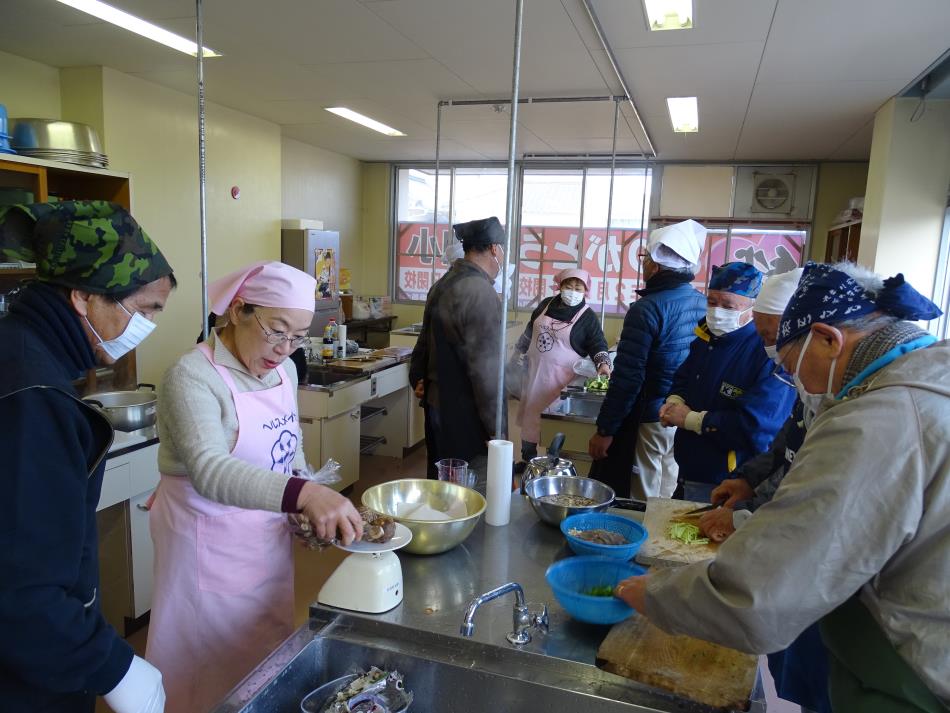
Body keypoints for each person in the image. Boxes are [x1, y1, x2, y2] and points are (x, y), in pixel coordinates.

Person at [615, 262, 948, 712]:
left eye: (792, 366)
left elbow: (762, 590)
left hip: (909, 673)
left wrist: (655, 596)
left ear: (829, 340)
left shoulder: (877, 420)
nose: (796, 384)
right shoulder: (925, 379)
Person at [147, 261, 362, 712]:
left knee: (262, 662)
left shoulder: (283, 371)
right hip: (207, 552)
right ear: (239, 310)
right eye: (277, 331)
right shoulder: (192, 378)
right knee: (206, 675)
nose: (285, 348)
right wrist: (305, 495)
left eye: (299, 336)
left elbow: (289, 450)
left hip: (264, 548)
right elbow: (210, 469)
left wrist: (302, 497)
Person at [0, 200, 174, 713]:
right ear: (83, 297)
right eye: (143, 310)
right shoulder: (33, 395)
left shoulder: (22, 350)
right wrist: (111, 667)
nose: (147, 327)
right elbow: (21, 588)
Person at [694, 268, 831, 713]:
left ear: (819, 336)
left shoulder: (846, 401)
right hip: (779, 541)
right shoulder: (807, 383)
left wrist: (744, 516)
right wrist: (749, 478)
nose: (770, 349)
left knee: (811, 679)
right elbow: (785, 444)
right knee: (781, 670)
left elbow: (807, 490)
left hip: (814, 570)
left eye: (772, 334)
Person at [588, 220, 707, 499]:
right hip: (684, 415)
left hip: (651, 417)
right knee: (668, 489)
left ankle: (642, 542)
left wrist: (605, 429)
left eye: (645, 259)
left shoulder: (646, 309)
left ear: (655, 266)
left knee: (643, 495)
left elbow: (628, 378)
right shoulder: (701, 302)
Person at [659, 261, 795, 503]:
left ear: (751, 308)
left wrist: (691, 420)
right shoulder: (706, 337)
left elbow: (755, 426)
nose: (717, 311)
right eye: (712, 302)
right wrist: (674, 400)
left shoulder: (767, 352)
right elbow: (684, 376)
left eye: (728, 306)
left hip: (728, 477)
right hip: (690, 466)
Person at [409, 216, 507, 477]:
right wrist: (497, 432)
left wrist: (418, 379)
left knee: (441, 479)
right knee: (467, 489)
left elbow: (422, 343)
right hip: (465, 411)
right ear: (495, 249)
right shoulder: (480, 291)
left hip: (436, 405)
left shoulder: (443, 283)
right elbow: (486, 371)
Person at [514, 268, 610, 470]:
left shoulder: (588, 317)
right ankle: (527, 460)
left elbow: (598, 344)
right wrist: (517, 352)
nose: (572, 291)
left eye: (578, 288)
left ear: (585, 291)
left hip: (560, 381)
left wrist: (603, 363)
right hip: (534, 375)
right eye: (568, 286)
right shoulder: (545, 304)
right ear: (560, 286)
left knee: (554, 423)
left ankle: (552, 463)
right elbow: (530, 331)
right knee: (530, 417)